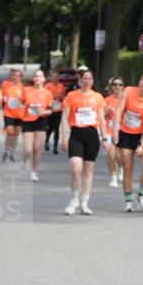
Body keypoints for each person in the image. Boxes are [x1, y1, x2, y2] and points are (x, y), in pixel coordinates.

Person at [60, 69, 106, 215]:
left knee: (87, 171)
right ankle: (74, 199)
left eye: (89, 79)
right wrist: (64, 137)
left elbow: (101, 118)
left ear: (92, 81)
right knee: (75, 169)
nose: (87, 81)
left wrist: (104, 138)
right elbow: (64, 117)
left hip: (92, 135)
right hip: (76, 135)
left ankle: (84, 202)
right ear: (79, 80)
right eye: (84, 78)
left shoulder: (97, 97)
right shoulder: (71, 96)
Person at [112, 72, 143, 212]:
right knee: (127, 168)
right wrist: (115, 131)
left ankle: (141, 194)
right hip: (126, 134)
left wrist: (141, 144)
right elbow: (119, 111)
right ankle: (128, 200)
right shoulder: (128, 91)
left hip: (142, 135)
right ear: (139, 81)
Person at [20, 69, 52, 181]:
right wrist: (21, 106)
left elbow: (51, 110)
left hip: (41, 121)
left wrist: (44, 112)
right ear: (33, 79)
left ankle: (34, 171)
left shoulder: (47, 93)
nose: (38, 78)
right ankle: (24, 163)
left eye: (40, 76)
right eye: (36, 76)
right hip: (27, 120)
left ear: (43, 79)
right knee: (28, 149)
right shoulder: (26, 90)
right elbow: (21, 103)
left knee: (37, 148)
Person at [102, 77, 125, 187]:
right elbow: (102, 118)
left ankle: (120, 168)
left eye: (120, 85)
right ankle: (113, 177)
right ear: (111, 87)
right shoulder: (106, 100)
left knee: (120, 157)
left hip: (122, 131)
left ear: (123, 87)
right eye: (115, 84)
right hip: (109, 131)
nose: (117, 87)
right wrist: (107, 112)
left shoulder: (125, 99)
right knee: (111, 155)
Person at [0, 68, 24, 162]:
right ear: (12, 76)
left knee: (16, 134)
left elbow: (25, 101)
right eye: (15, 75)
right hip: (8, 112)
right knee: (10, 132)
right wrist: (4, 98)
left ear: (21, 77)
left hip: (19, 114)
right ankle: (7, 149)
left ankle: (11, 152)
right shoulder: (7, 85)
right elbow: (1, 96)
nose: (16, 77)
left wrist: (22, 104)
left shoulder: (22, 87)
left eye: (18, 76)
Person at [44, 71, 66, 154]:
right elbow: (44, 97)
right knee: (50, 128)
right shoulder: (47, 86)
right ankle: (46, 140)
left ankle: (55, 147)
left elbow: (64, 96)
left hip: (58, 110)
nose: (55, 78)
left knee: (56, 128)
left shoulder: (61, 86)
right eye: (53, 76)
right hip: (50, 109)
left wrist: (61, 98)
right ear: (51, 78)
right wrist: (52, 98)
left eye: (57, 76)